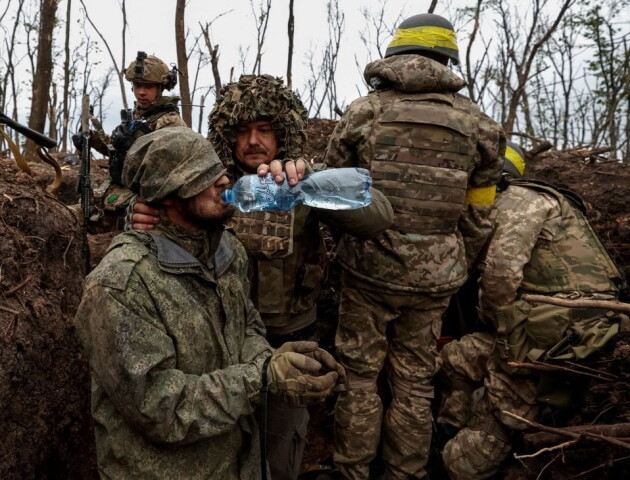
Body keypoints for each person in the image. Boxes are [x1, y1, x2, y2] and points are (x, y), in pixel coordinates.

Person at [130, 75, 394, 480]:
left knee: (279, 452)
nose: (253, 141)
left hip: (290, 337)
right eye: (242, 131)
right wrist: (140, 214)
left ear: (283, 131)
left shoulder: (297, 180)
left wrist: (310, 180)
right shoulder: (206, 187)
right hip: (219, 345)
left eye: (265, 129)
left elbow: (378, 215)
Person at [73, 126, 345, 480]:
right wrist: (260, 378)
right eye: (202, 176)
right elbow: (158, 408)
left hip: (238, 460)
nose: (222, 181)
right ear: (167, 194)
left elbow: (246, 326)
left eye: (218, 169)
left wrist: (276, 363)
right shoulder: (120, 286)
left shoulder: (226, 250)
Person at [322, 13, 505, 480]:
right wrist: (450, 259)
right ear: (448, 58)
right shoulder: (480, 125)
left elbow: (334, 193)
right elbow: (479, 216)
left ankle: (352, 471)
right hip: (434, 282)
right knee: (416, 381)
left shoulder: (365, 112)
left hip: (367, 273)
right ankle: (406, 473)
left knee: (359, 378)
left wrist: (356, 244)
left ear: (396, 54)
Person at [438, 141, 626, 479]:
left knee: (463, 461)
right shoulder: (526, 200)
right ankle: (451, 428)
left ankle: (472, 451)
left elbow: (501, 274)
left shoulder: (519, 203)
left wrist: (491, 317)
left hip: (556, 331)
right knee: (454, 357)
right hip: (546, 321)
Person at [81, 51, 188, 222]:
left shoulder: (170, 122)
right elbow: (116, 152)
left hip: (146, 204)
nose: (142, 92)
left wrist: (134, 148)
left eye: (148, 87)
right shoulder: (136, 117)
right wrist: (91, 140)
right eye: (138, 86)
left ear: (160, 88)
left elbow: (171, 171)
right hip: (118, 191)